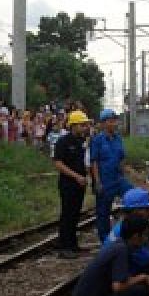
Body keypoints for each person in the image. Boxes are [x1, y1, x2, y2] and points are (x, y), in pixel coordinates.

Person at [52, 110, 92, 258]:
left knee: (75, 214)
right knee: (67, 214)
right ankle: (64, 247)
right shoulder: (63, 142)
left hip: (80, 184)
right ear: (73, 125)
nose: (85, 127)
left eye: (85, 125)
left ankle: (73, 244)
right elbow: (58, 163)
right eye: (82, 125)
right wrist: (76, 176)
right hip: (68, 184)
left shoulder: (82, 142)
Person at [90, 108, 132, 242]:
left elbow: (121, 159)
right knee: (103, 212)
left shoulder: (118, 139)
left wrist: (126, 174)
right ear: (103, 124)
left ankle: (129, 233)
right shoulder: (97, 140)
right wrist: (97, 182)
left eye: (115, 120)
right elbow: (94, 162)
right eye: (111, 121)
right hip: (104, 180)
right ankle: (105, 241)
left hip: (118, 179)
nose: (114, 123)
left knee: (133, 198)